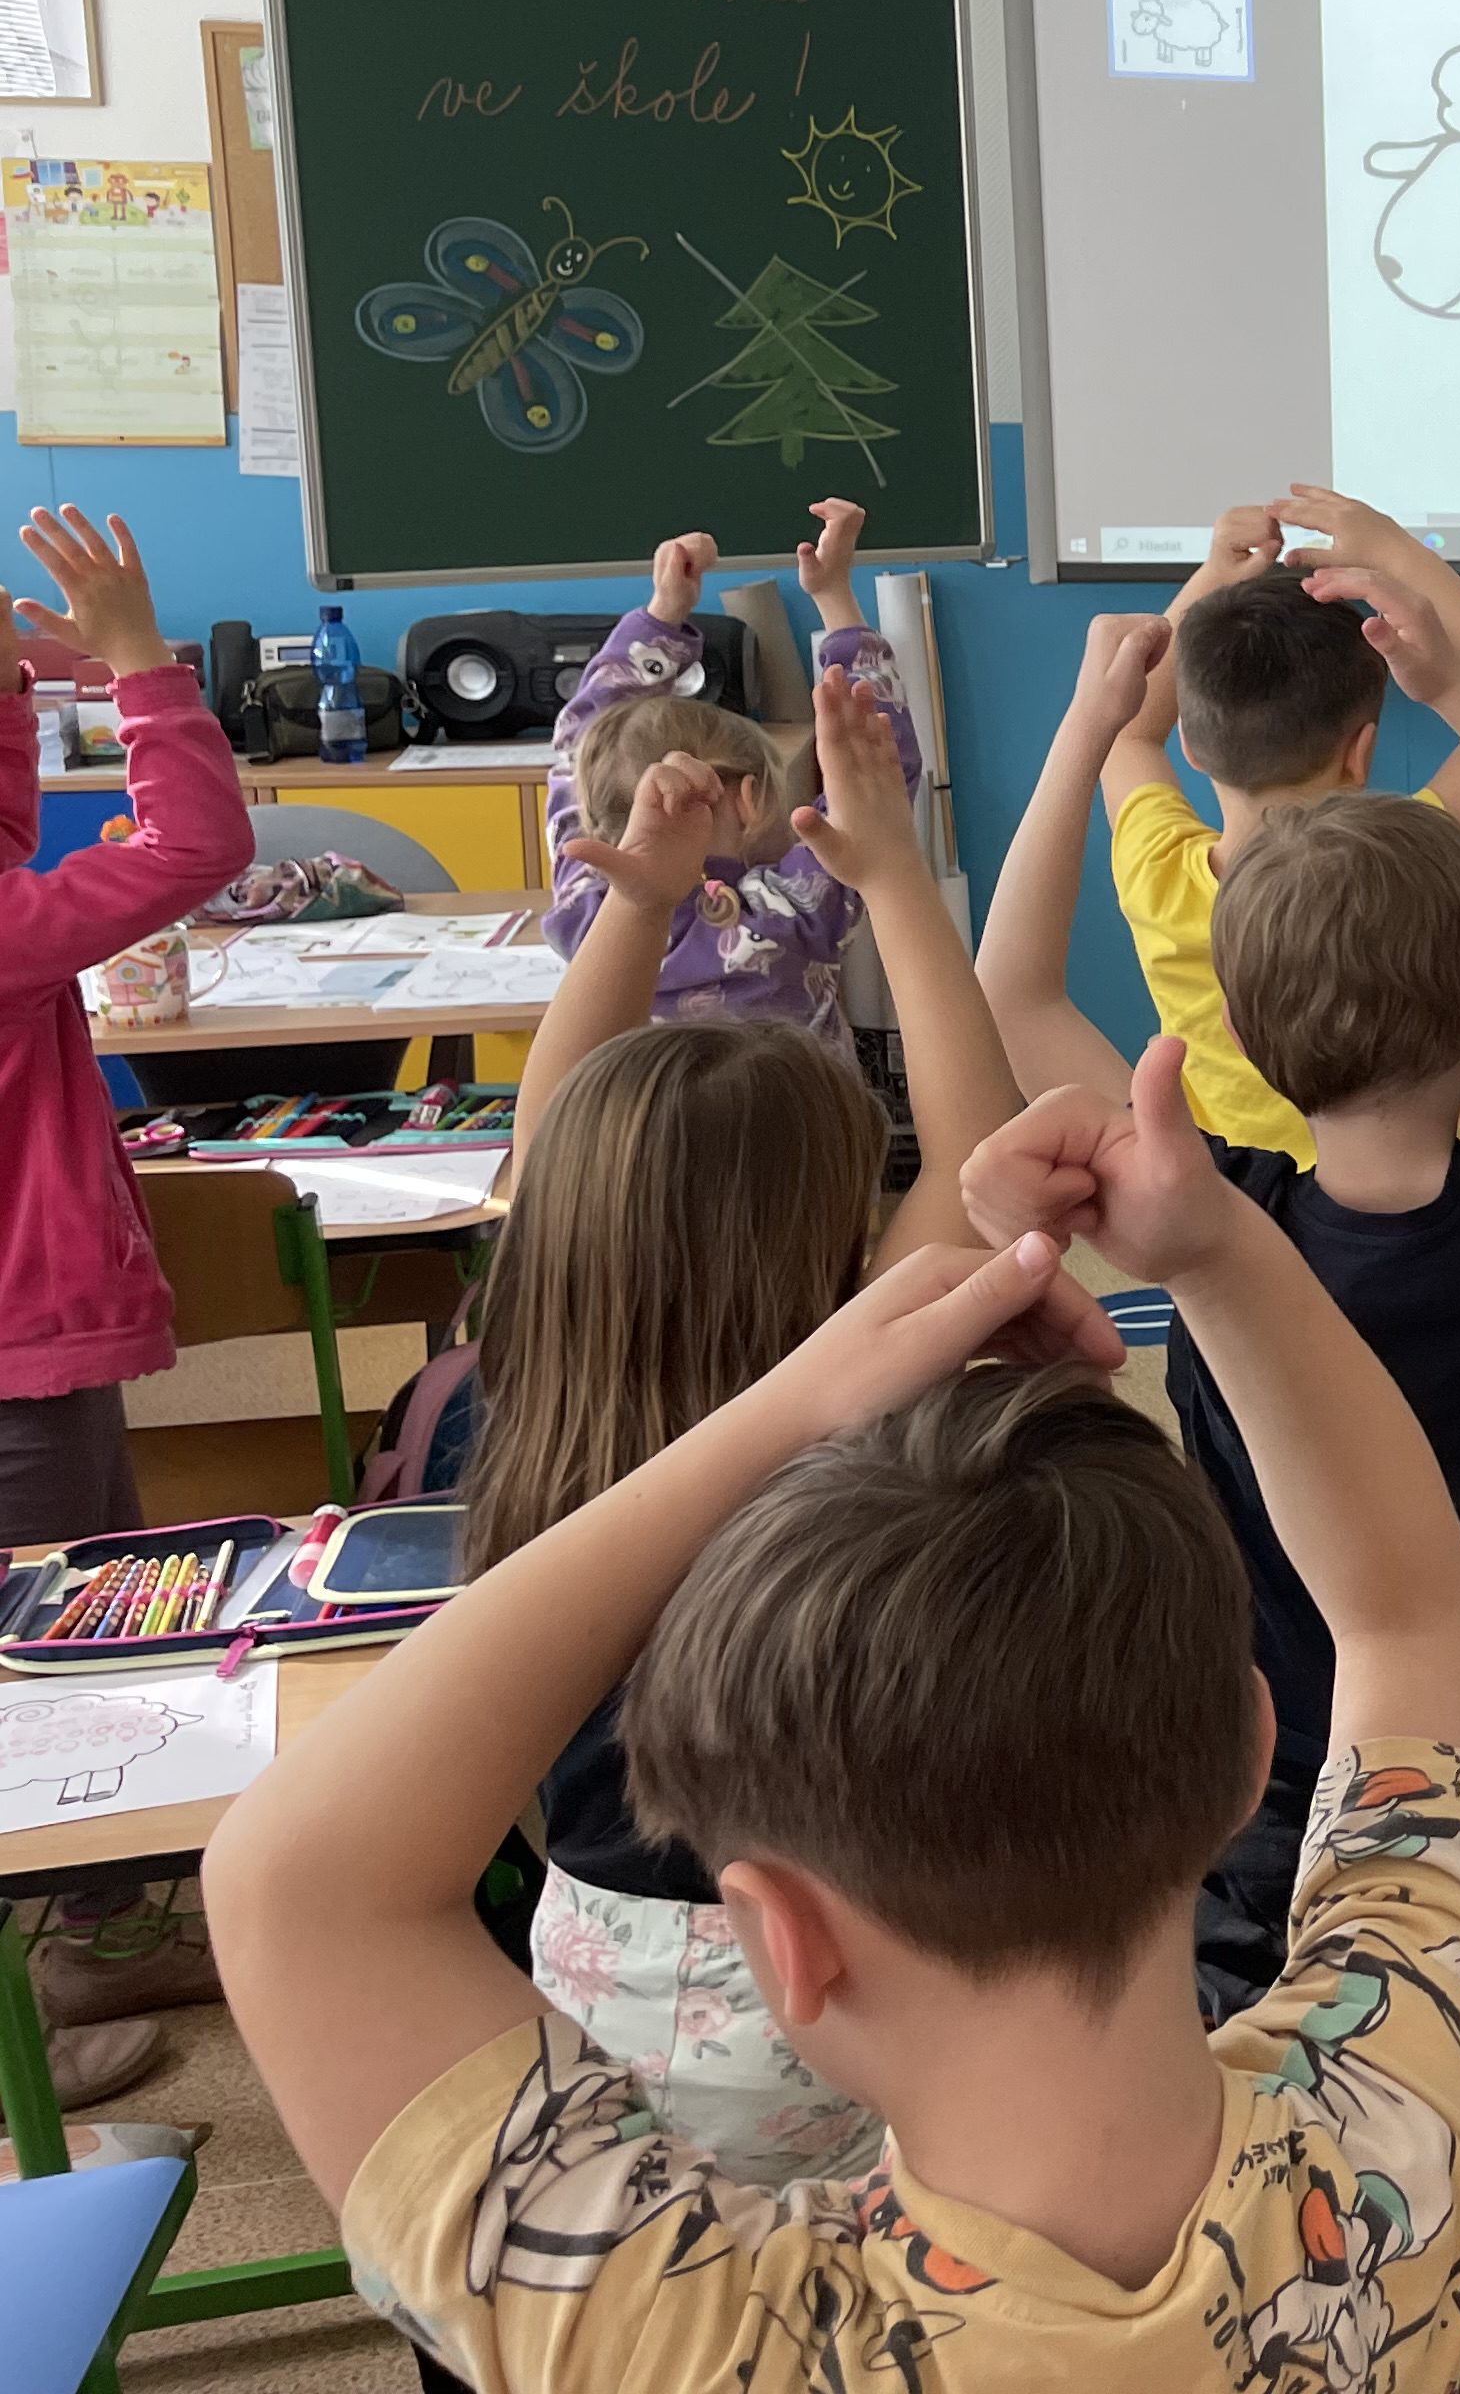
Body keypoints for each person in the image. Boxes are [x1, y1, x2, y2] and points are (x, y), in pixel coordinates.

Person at [206, 1124, 1460, 2394]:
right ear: (1249, 1755)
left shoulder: (706, 2347)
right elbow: (1407, 1612)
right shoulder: (1403, 2087)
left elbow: (299, 1884)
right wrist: (1217, 1249)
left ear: (782, 1937)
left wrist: (788, 1407)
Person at [981, 575, 1460, 2394]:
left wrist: (1095, 725)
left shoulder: (1220, 1233)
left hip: (1274, 1775)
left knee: (1258, 2139)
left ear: (1247, 1043)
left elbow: (1013, 985)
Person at [453, 666, 1027, 2179]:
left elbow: (551, 1139)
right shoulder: (850, 1384)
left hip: (600, 1980)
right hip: (839, 1976)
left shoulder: (536, 1377)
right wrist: (896, 877)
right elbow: (978, 1158)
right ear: (822, 1240)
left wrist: (638, 907)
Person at [0, 505, 252, 2112]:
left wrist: (22, 691)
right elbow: (193, 850)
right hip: (12, 1355)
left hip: (36, 1342)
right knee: (32, 1669)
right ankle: (22, 2013)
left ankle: (98, 1927)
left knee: (90, 1632)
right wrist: (140, 666)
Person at [1108, 491, 1460, 1162]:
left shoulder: (1158, 873)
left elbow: (1124, 730)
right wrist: (1394, 552)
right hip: (1403, 1204)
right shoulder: (1407, 865)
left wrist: (1214, 577)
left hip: (1228, 1202)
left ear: (1192, 748)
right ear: (1362, 752)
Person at [544, 505, 917, 1038]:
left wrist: (662, 615)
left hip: (638, 1100)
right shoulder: (788, 911)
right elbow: (878, 775)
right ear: (749, 799)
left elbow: (578, 741)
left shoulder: (586, 905)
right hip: (803, 1099)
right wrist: (835, 596)